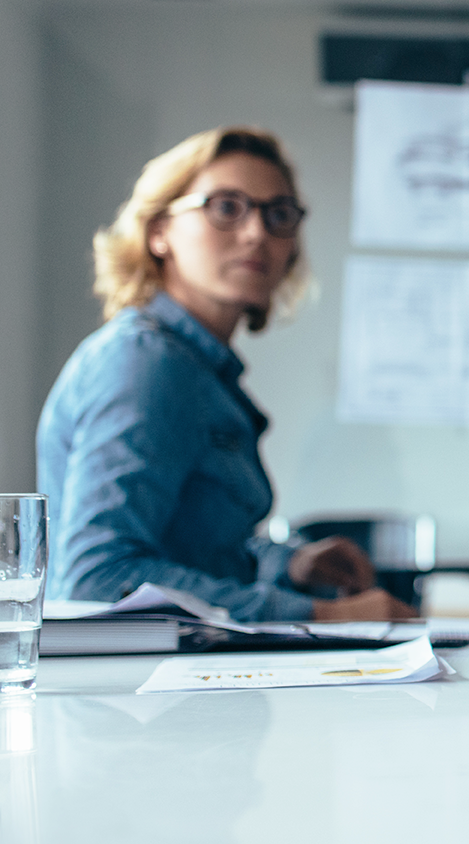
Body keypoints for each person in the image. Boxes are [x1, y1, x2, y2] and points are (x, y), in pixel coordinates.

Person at [40, 127, 416, 622]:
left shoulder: (197, 369)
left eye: (278, 214)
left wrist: (292, 565)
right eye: (225, 207)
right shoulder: (145, 362)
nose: (257, 232)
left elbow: (190, 553)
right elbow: (99, 579)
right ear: (159, 231)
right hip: (140, 691)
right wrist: (321, 615)